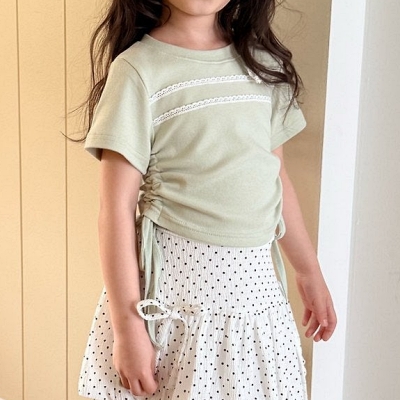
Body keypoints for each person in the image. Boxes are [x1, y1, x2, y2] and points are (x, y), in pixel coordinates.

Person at [77, 1, 337, 399]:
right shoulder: (137, 70)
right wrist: (128, 329)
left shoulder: (262, 65)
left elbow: (277, 179)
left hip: (256, 293)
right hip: (179, 298)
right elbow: (114, 210)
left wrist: (309, 272)